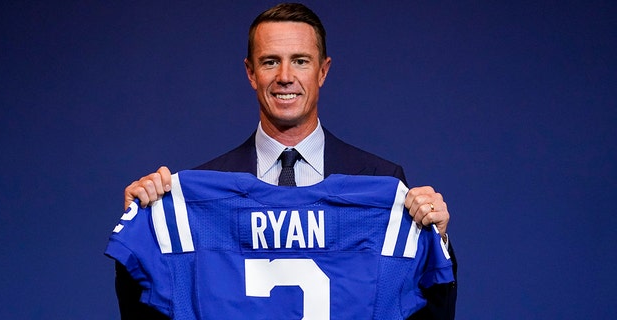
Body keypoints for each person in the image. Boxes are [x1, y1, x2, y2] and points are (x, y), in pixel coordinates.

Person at [117, 3, 457, 319]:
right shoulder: (200, 196)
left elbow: (424, 309)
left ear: (323, 71)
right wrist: (144, 226)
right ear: (251, 73)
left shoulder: (381, 181)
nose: (285, 76)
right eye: (270, 61)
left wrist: (438, 238)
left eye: (300, 60)